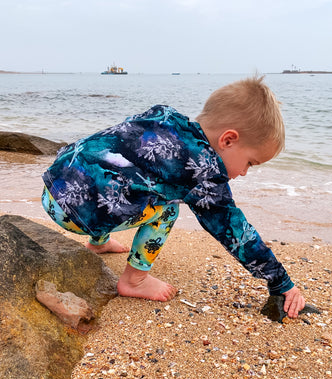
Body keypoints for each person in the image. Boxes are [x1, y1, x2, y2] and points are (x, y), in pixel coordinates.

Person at [42, 76, 305, 318]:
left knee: (123, 178)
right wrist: (280, 282)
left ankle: (98, 242)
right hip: (75, 216)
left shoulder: (163, 115)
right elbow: (234, 230)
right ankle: (134, 280)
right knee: (167, 209)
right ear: (228, 140)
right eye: (250, 162)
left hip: (53, 186)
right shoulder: (204, 170)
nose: (245, 173)